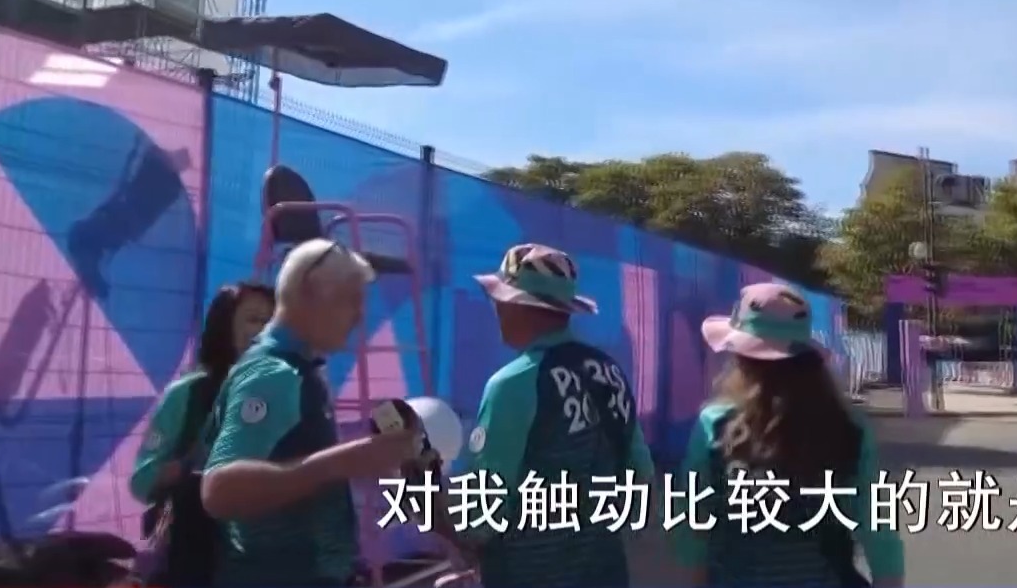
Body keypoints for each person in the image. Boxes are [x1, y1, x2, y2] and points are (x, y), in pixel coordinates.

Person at [199, 239, 422, 587]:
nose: (360, 315)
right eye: (351, 299)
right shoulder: (274, 374)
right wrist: (342, 463)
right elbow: (220, 490)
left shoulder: (299, 369)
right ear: (308, 292)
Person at [449, 243, 655, 588]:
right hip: (605, 571)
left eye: (499, 299)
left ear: (519, 306)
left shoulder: (513, 384)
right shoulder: (609, 372)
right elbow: (641, 474)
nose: (496, 308)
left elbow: (484, 511)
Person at [672, 284, 905, 588]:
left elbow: (693, 522)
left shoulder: (714, 425)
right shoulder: (849, 428)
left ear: (742, 358)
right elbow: (878, 528)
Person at [131, 281, 274, 585]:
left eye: (271, 322)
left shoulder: (291, 393)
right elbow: (142, 479)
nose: (263, 331)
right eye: (253, 320)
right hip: (199, 553)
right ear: (224, 327)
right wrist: (181, 472)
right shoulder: (188, 394)